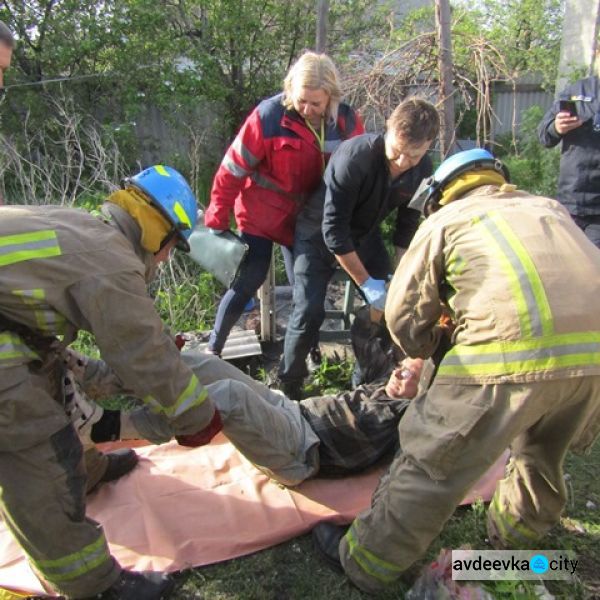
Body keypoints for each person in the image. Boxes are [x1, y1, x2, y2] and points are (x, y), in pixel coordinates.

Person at [310, 148, 600, 594]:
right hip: (593, 359)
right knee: (542, 453)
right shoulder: (549, 208)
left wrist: (423, 352)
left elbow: (404, 313)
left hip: (510, 352)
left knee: (432, 461)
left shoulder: (447, 219)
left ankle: (366, 562)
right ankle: (514, 542)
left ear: (441, 194)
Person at [0, 165, 220, 599]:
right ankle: (92, 583)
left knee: (46, 384)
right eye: (172, 247)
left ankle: (86, 472)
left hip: (11, 329)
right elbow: (144, 351)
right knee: (36, 446)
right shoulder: (112, 262)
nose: (165, 259)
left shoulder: (85, 228)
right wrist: (196, 417)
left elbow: (62, 354)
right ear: (160, 233)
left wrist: (112, 383)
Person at [73, 348, 425, 487]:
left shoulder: (406, 417)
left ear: (423, 392)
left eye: (410, 375)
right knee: (202, 363)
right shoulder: (384, 380)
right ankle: (97, 376)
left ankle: (112, 426)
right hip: (290, 409)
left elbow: (437, 430)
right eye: (400, 367)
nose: (398, 374)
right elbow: (375, 330)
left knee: (229, 395)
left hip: (301, 450)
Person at [203, 51, 364, 356]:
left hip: (304, 220)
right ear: (291, 89)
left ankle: (309, 351)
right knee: (248, 279)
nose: (307, 109)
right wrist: (217, 214)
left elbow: (358, 174)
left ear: (331, 96)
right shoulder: (268, 116)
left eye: (315, 103)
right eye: (301, 100)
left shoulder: (346, 122)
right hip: (260, 214)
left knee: (306, 288)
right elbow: (232, 168)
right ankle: (214, 348)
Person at [278, 97, 439, 399]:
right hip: (316, 232)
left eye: (414, 156)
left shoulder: (424, 169)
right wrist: (366, 283)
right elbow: (334, 232)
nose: (403, 163)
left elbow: (407, 224)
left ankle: (366, 376)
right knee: (308, 310)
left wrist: (398, 276)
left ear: (428, 144)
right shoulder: (355, 157)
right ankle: (290, 385)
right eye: (397, 152)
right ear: (389, 129)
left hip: (364, 234)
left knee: (388, 306)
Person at [538, 66, 600, 248]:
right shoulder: (578, 90)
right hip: (570, 203)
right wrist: (556, 127)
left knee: (592, 268)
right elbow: (544, 135)